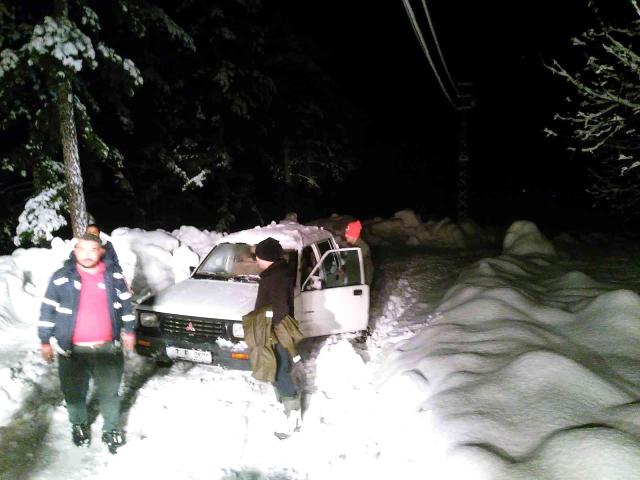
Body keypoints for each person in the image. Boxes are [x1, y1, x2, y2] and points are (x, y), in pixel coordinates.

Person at [39, 233, 136, 454]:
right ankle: (79, 424)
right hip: (72, 351)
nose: (87, 254)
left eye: (93, 249)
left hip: (107, 349)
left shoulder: (114, 277)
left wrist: (129, 332)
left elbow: (127, 307)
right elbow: (47, 309)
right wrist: (45, 340)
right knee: (74, 395)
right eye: (82, 249)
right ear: (75, 251)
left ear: (101, 251)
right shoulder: (61, 277)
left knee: (109, 394)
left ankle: (111, 429)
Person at [253, 237, 301, 436]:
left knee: (281, 371)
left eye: (258, 257)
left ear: (267, 258)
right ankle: (284, 403)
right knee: (278, 368)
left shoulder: (276, 278)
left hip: (276, 332)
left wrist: (267, 325)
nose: (256, 261)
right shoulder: (275, 273)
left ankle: (294, 418)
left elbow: (279, 309)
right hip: (273, 330)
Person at [344, 220, 374, 285]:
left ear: (354, 235)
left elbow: (367, 268)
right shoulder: (354, 246)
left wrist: (364, 286)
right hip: (355, 282)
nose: (346, 235)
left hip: (359, 284)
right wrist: (344, 268)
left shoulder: (362, 248)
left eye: (348, 233)